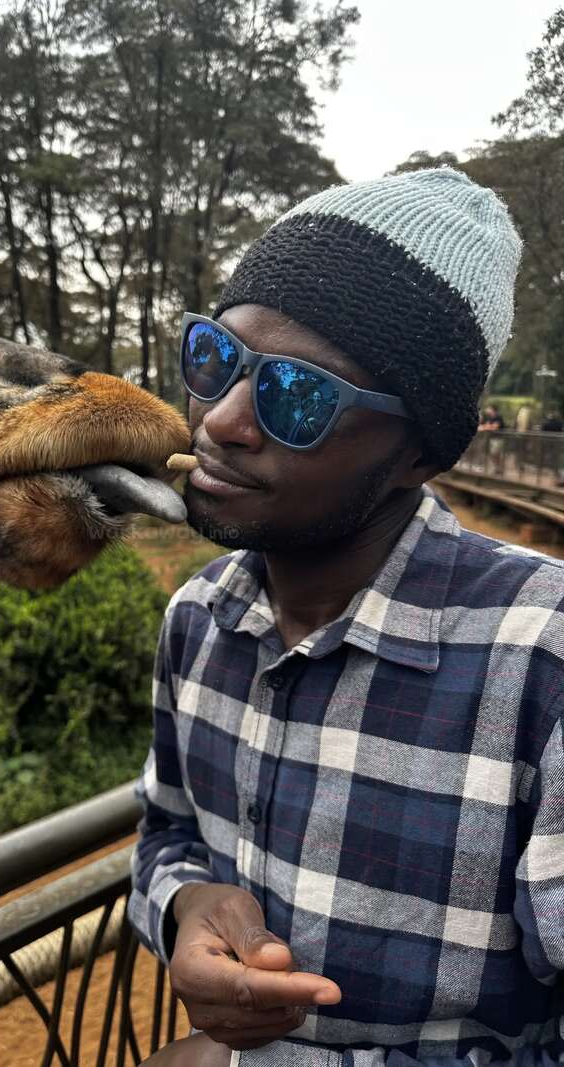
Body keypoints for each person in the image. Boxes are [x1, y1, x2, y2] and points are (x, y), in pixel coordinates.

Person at [128, 170, 564, 1067]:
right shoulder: (199, 619)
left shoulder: (541, 661)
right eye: (216, 359)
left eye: (296, 395)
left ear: (419, 452)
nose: (224, 420)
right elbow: (165, 829)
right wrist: (183, 907)